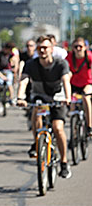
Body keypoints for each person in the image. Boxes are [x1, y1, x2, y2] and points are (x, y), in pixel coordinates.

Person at [17, 35, 72, 179]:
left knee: (58, 127)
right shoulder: (31, 64)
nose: (42, 50)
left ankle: (64, 162)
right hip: (39, 96)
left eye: (46, 47)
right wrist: (20, 97)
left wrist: (67, 97)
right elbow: (23, 81)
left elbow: (66, 80)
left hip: (58, 98)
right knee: (37, 112)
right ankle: (37, 142)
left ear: (52, 49)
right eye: (40, 47)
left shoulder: (61, 64)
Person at [66, 37, 92, 136]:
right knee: (72, 103)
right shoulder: (69, 57)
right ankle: (74, 134)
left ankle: (89, 126)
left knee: (86, 98)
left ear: (85, 47)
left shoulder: (89, 56)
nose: (78, 49)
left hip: (87, 83)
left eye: (80, 46)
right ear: (72, 48)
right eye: (75, 46)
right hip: (74, 84)